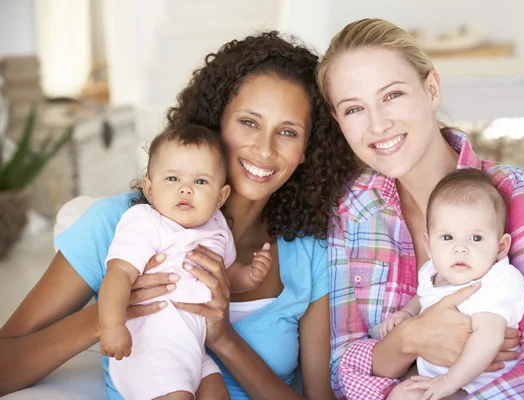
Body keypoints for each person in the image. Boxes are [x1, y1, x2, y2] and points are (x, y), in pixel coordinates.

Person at [0, 31, 356, 400]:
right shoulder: (120, 223)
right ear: (216, 121)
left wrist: (223, 338)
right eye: (249, 122)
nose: (264, 149)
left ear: (306, 152)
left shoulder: (310, 251)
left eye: (288, 131)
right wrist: (109, 315)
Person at [318, 18, 524, 399]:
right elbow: (343, 374)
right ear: (337, 120)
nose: (378, 124)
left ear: (431, 88)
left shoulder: (512, 191)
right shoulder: (350, 212)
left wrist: (410, 373)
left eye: (392, 95)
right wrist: (410, 339)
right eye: (354, 109)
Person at [99, 124, 274, 400]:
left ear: (220, 197)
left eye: (200, 182)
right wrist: (112, 326)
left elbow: (226, 278)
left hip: (194, 350)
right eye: (172, 179)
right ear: (149, 188)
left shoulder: (217, 228)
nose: (185, 190)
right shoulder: (146, 222)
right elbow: (118, 274)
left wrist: (250, 276)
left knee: (218, 394)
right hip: (149, 347)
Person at [375, 168, 524, 400]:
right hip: (438, 379)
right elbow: (423, 297)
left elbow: (489, 337)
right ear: (429, 245)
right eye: (447, 237)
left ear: (500, 247)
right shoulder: (432, 272)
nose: (460, 248)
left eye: (475, 238)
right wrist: (407, 313)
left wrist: (448, 382)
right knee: (402, 394)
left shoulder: (497, 280)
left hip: (479, 385)